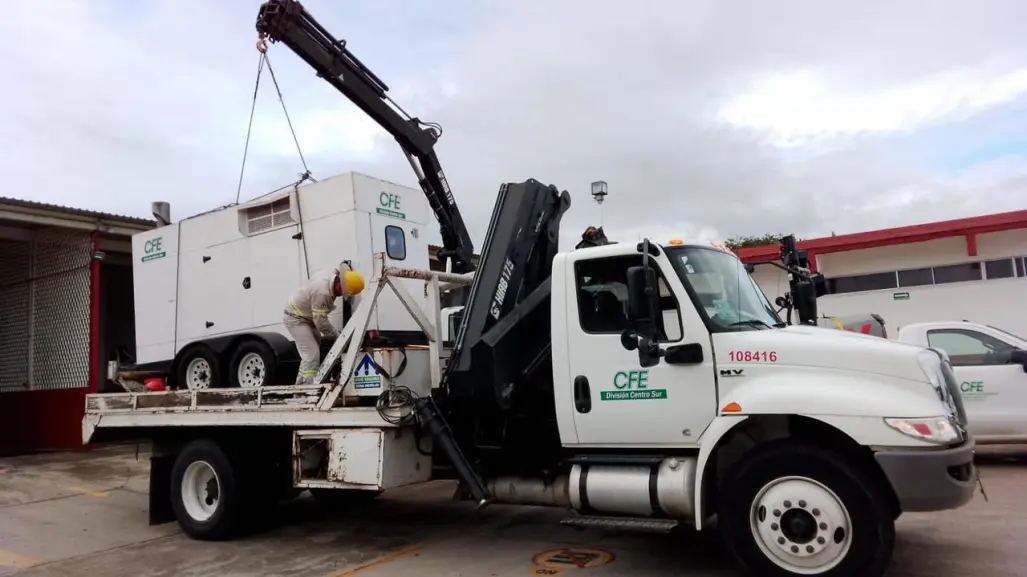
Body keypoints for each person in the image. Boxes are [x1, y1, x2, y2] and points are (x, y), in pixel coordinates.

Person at [283, 262, 366, 385]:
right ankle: (308, 391)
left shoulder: (330, 278)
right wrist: (338, 337)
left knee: (311, 355)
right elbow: (321, 322)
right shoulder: (322, 292)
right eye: (343, 292)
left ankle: (299, 388)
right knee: (312, 354)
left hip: (307, 317)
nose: (340, 295)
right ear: (339, 283)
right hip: (296, 318)